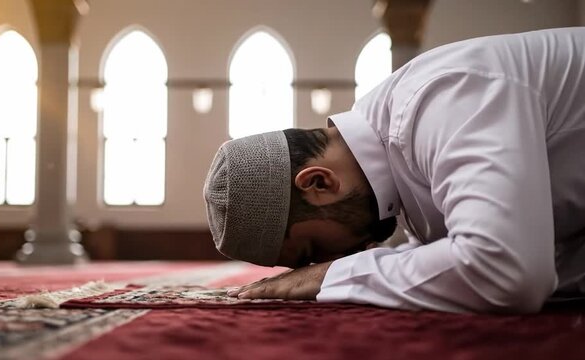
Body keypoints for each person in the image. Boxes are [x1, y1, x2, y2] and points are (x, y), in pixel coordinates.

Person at [203, 27, 585, 313]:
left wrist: (331, 276)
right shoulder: (399, 168)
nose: (321, 263)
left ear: (318, 183)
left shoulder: (438, 99)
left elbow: (508, 271)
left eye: (312, 251)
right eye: (314, 262)